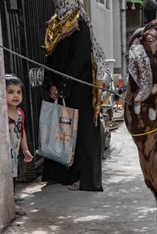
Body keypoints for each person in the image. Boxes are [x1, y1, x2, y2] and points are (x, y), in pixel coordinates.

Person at [41, 0, 109, 191]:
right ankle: (59, 175)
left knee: (84, 131)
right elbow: (50, 56)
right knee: (59, 127)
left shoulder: (80, 22)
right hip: (59, 85)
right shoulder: (54, 23)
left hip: (79, 85)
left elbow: (81, 57)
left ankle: (86, 179)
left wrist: (65, 84)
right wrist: (51, 84)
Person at [5, 74, 34, 216]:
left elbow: (21, 131)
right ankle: (10, 202)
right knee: (7, 176)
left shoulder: (20, 113)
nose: (15, 95)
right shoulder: (2, 112)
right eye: (10, 92)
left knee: (13, 176)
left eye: (18, 92)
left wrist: (25, 149)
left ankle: (12, 200)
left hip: (15, 154)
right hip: (4, 153)